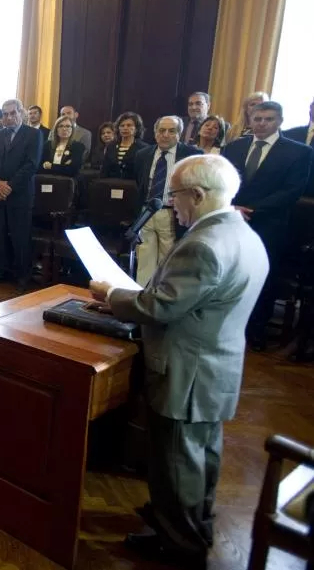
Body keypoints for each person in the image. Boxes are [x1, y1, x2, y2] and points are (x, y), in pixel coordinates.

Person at [89, 154, 268, 569]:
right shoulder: (242, 233)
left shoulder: (204, 245)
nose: (172, 205)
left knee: (176, 462)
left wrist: (109, 294)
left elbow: (160, 307)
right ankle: (191, 527)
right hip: (216, 366)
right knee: (202, 456)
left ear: (199, 195)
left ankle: (181, 548)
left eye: (175, 196)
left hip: (186, 371)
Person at [222, 101, 314, 350]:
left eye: (268, 119)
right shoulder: (233, 147)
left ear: (279, 121)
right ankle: (227, 326)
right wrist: (232, 208)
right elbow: (222, 182)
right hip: (232, 221)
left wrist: (252, 210)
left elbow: (292, 191)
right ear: (250, 120)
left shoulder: (298, 152)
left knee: (262, 277)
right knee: (229, 275)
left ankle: (256, 331)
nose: (262, 123)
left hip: (269, 225)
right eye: (257, 118)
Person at [133, 116, 199, 285]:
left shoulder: (192, 155)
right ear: (155, 133)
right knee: (144, 260)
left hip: (173, 214)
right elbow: (139, 183)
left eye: (172, 131)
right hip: (146, 213)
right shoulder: (143, 154)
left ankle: (161, 299)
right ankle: (141, 298)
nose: (166, 135)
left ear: (179, 134)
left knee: (168, 260)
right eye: (161, 130)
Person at [0, 99, 42, 291]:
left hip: (20, 195)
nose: (9, 117)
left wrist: (8, 187)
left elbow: (31, 164)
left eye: (12, 113)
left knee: (20, 236)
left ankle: (23, 276)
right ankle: (2, 271)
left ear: (21, 113)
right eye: (5, 114)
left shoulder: (34, 134)